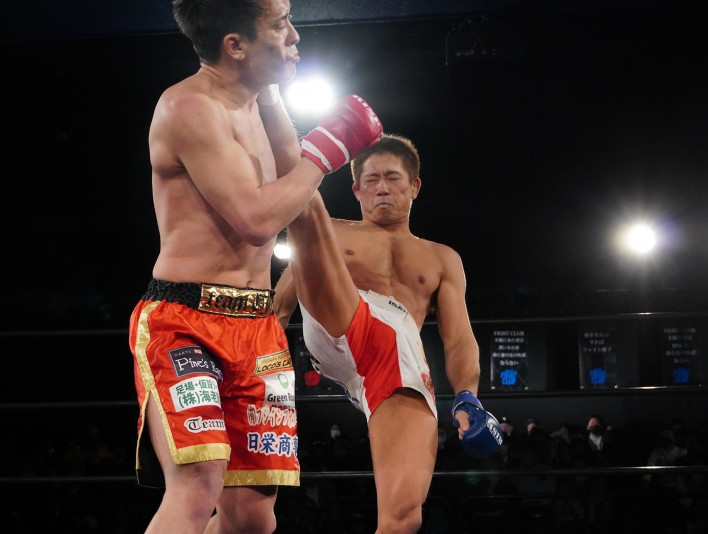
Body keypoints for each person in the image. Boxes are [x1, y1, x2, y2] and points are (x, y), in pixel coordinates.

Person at [127, 1, 382, 532]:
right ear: (235, 45)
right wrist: (329, 147)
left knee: (253, 517)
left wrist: (343, 308)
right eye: (279, 24)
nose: (294, 36)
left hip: (258, 323)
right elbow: (258, 219)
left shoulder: (265, 96)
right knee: (198, 485)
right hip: (185, 320)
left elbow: (296, 183)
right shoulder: (188, 108)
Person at [274, 134, 502, 533]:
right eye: (372, 179)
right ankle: (282, 132)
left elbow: (458, 337)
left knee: (404, 517)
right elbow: (278, 309)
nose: (382, 188)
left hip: (394, 358)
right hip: (339, 323)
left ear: (414, 186)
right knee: (307, 211)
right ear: (356, 190)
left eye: (393, 178)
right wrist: (251, 371)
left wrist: (467, 397)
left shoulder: (442, 258)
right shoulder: (330, 233)